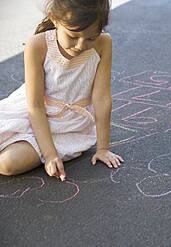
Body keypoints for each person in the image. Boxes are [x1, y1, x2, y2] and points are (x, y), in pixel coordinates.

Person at [0, 0, 123, 181]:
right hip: (32, 113)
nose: (81, 45)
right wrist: (49, 155)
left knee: (8, 164)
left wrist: (103, 148)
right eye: (73, 36)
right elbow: (35, 107)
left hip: (69, 126)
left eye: (91, 37)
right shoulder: (38, 45)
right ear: (55, 19)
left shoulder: (104, 42)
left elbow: (102, 98)